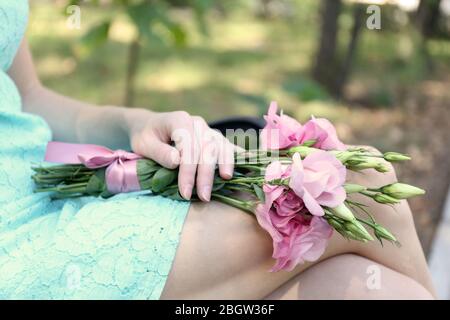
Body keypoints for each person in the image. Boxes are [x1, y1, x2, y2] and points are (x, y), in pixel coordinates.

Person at [0, 0, 435, 299]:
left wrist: (138, 123)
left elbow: (30, 97)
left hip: (50, 198)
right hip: (17, 249)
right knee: (360, 188)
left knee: (369, 287)